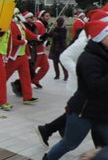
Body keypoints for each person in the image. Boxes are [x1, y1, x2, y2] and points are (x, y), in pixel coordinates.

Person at [43, 20, 108, 160]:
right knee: (69, 143)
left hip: (102, 112)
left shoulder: (105, 53)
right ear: (100, 37)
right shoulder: (89, 58)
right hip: (83, 112)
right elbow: (96, 86)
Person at [31, 10, 51, 88]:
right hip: (36, 51)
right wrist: (43, 42)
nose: (48, 17)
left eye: (49, 16)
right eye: (46, 16)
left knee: (46, 67)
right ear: (41, 17)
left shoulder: (44, 25)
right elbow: (34, 37)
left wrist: (46, 42)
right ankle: (22, 84)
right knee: (32, 69)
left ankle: (35, 80)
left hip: (42, 51)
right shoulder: (38, 24)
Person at [49, 16, 69, 81]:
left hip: (61, 47)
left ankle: (66, 75)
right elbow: (49, 35)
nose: (56, 23)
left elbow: (59, 36)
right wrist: (51, 29)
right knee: (55, 62)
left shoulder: (64, 29)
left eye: (57, 22)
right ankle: (57, 75)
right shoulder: (55, 28)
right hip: (55, 47)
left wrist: (54, 32)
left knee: (62, 62)